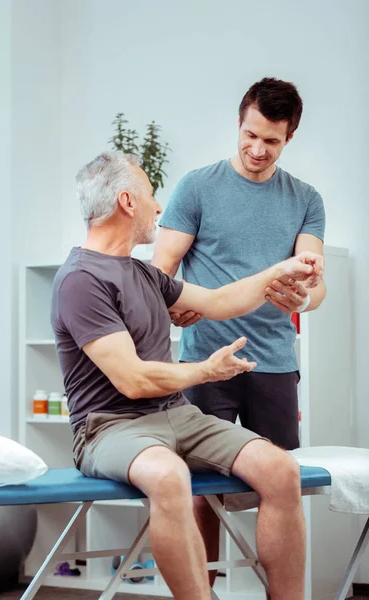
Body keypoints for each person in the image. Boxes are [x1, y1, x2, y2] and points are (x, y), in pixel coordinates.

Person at [51, 151, 323, 600]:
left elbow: (220, 301)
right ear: (127, 201)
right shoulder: (81, 279)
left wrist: (280, 270)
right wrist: (205, 370)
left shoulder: (143, 273)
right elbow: (133, 381)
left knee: (280, 470)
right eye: (151, 195)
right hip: (109, 426)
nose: (159, 207)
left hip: (174, 416)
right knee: (168, 476)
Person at [152, 77, 326, 587]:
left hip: (274, 363)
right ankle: (203, 592)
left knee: (282, 485)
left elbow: (317, 286)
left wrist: (305, 298)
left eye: (271, 141)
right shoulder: (197, 186)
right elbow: (162, 269)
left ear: (289, 138)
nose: (256, 149)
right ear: (239, 121)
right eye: (250, 134)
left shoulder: (306, 199)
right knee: (202, 490)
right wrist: (175, 305)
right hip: (207, 360)